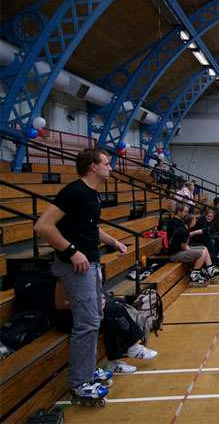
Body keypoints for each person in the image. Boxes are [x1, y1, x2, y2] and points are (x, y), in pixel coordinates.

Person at [34, 148, 128, 405]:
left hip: (91, 263)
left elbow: (91, 228)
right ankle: (80, 382)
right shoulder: (74, 192)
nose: (110, 167)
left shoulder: (92, 195)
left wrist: (113, 241)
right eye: (106, 163)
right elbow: (42, 226)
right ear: (92, 167)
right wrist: (72, 251)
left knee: (96, 315)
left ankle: (87, 371)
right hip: (76, 266)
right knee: (87, 323)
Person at [168, 212, 219, 282]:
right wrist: (195, 251)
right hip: (175, 255)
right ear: (190, 222)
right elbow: (184, 248)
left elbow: (186, 246)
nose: (196, 221)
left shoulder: (185, 228)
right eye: (194, 220)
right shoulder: (183, 231)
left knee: (204, 248)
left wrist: (195, 249)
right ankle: (195, 274)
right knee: (201, 252)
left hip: (181, 251)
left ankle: (210, 269)